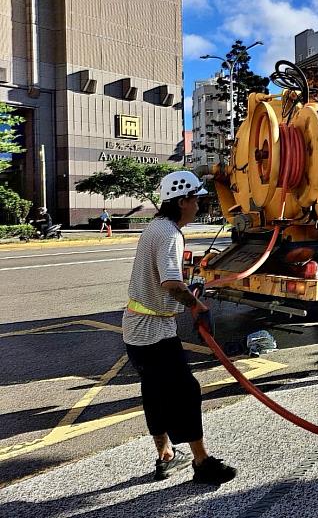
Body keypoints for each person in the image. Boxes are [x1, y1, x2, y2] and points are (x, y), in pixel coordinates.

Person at [123, 170, 236, 484]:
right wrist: (196, 305)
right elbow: (171, 283)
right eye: (197, 199)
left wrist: (189, 293)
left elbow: (168, 283)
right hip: (154, 332)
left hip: (137, 330)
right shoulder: (170, 234)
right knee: (186, 391)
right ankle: (201, 462)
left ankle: (166, 455)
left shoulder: (155, 228)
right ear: (183, 201)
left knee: (155, 392)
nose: (200, 205)